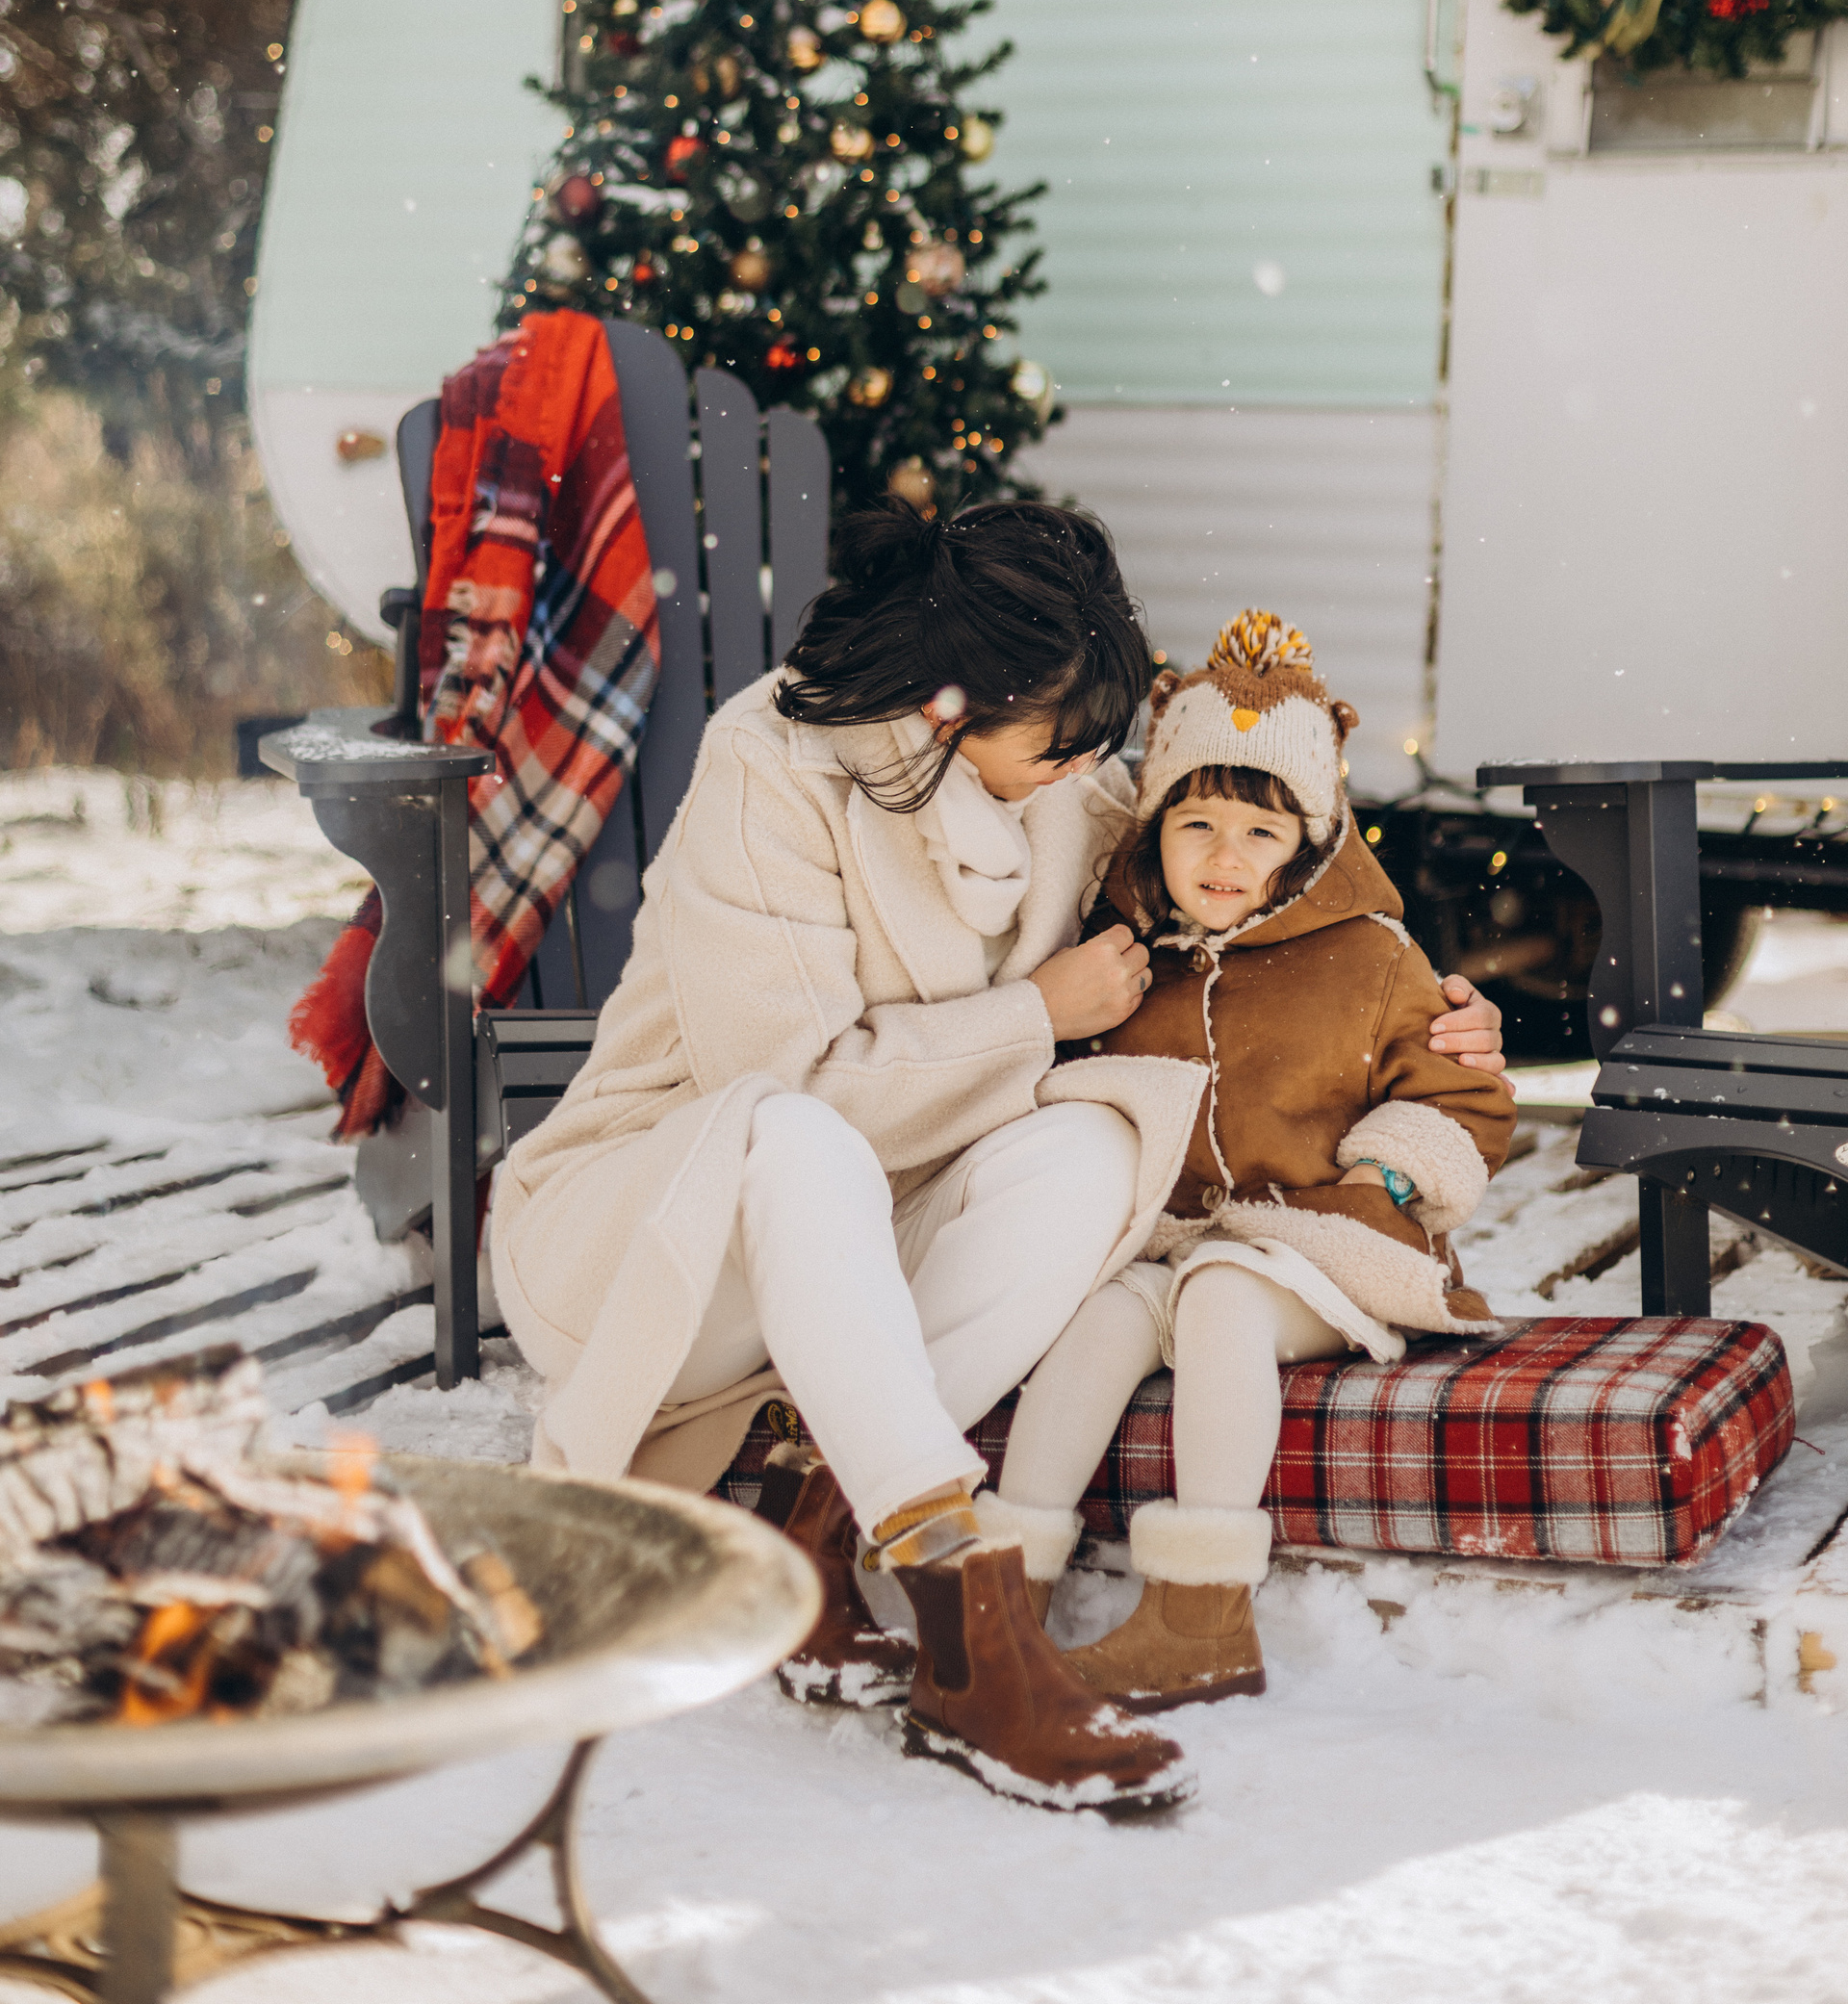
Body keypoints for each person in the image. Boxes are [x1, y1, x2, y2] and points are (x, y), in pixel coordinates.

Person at [491, 516, 1506, 1810]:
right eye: (1058, 744)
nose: (1083, 771)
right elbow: (792, 1084)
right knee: (798, 1137)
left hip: (864, 1259)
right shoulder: (771, 768)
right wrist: (1035, 1013)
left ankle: (814, 1521)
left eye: (1098, 746)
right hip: (651, 1243)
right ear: (947, 705)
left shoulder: (1060, 791)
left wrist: (1432, 1017)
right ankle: (970, 1631)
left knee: (1099, 1138)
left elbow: (1255, 893)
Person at [977, 609, 1515, 1712]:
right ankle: (1000, 1596)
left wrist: (1386, 1181)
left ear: (1308, 844)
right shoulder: (1126, 959)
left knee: (1223, 1292)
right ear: (1154, 828)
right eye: (1198, 824)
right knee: (1103, 1316)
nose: (1226, 858)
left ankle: (1200, 1615)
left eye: (1262, 833)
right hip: (1176, 1241)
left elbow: (1459, 1095)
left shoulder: (1368, 958)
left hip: (1325, 1248)